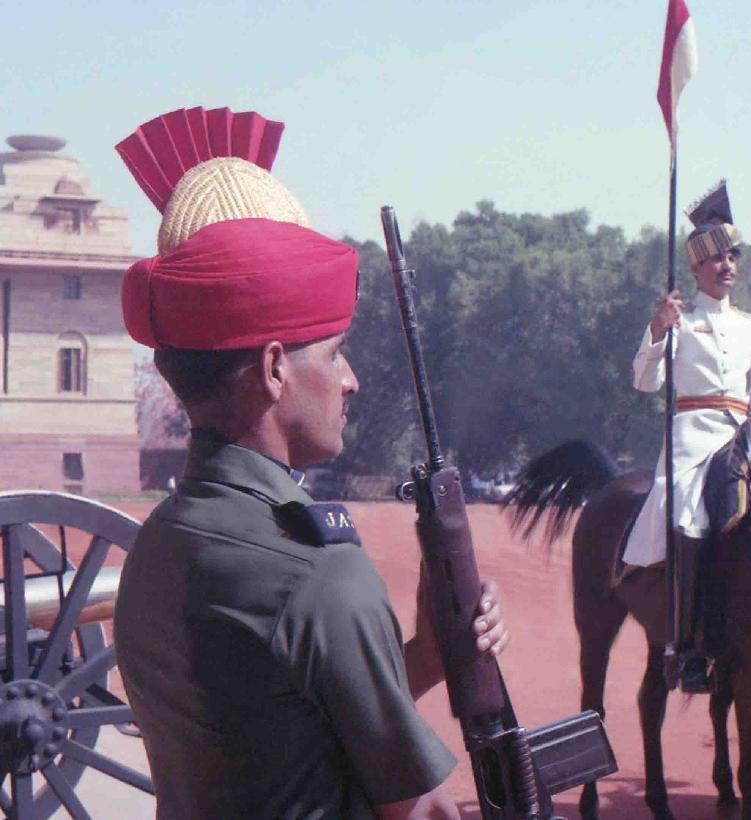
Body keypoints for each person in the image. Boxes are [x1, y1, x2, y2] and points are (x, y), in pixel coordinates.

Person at [111, 106, 507, 820]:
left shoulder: (159, 544)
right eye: (334, 353)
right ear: (273, 370)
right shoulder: (318, 572)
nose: (351, 379)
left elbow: (282, 731)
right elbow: (425, 811)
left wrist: (427, 655)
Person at [623, 181, 751, 693]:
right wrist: (657, 330)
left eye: (732, 256)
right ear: (695, 268)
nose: (726, 266)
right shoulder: (681, 320)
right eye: (716, 258)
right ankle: (687, 643)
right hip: (693, 440)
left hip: (743, 437)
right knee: (686, 510)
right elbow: (645, 381)